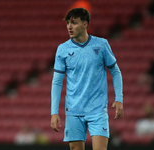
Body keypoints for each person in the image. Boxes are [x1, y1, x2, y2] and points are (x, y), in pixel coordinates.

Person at [51, 8, 123, 150]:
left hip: (97, 110)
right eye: (68, 23)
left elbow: (115, 71)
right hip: (73, 110)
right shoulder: (62, 49)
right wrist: (54, 112)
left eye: (74, 23)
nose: (69, 27)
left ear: (85, 24)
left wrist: (119, 98)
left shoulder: (101, 45)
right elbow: (57, 82)